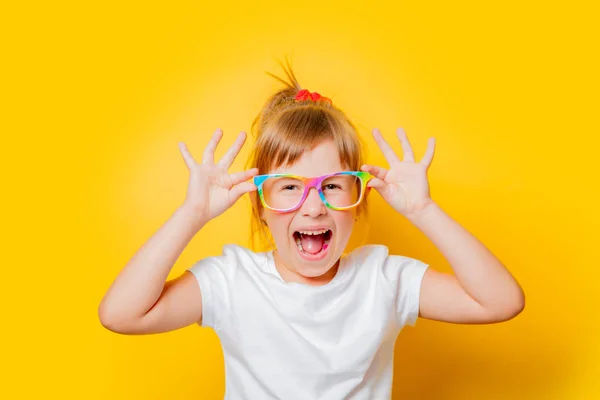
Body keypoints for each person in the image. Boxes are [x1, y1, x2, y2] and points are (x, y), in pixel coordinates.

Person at [98, 58, 525, 399]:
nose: (314, 207)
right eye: (289, 188)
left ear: (357, 203)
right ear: (260, 206)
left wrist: (425, 210)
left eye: (333, 187)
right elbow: (121, 314)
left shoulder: (384, 279)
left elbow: (501, 302)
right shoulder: (232, 281)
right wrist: (191, 214)